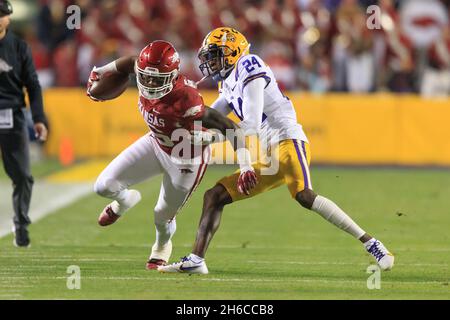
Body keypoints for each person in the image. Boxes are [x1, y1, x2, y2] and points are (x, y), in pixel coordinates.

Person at [158, 27, 395, 274]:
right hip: (270, 155)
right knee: (214, 196)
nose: (210, 62)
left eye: (215, 54)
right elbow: (209, 116)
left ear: (233, 52)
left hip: (288, 140)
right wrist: (179, 118)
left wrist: (207, 139)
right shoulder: (229, 82)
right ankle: (197, 260)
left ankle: (371, 243)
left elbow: (247, 124)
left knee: (304, 195)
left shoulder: (248, 64)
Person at [87, 40, 257, 270]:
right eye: (145, 76)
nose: (148, 83)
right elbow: (128, 63)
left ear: (172, 76)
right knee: (103, 186)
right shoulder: (142, 68)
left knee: (162, 215)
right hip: (156, 144)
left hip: (186, 158)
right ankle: (125, 201)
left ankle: (161, 245)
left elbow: (231, 128)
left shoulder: (187, 100)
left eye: (156, 79)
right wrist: (101, 70)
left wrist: (246, 166)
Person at [0, 0, 48, 247]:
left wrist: (39, 118)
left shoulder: (18, 47)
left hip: (12, 115)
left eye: (1, 16)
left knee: (22, 175)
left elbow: (33, 84)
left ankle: (20, 222)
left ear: (8, 18)